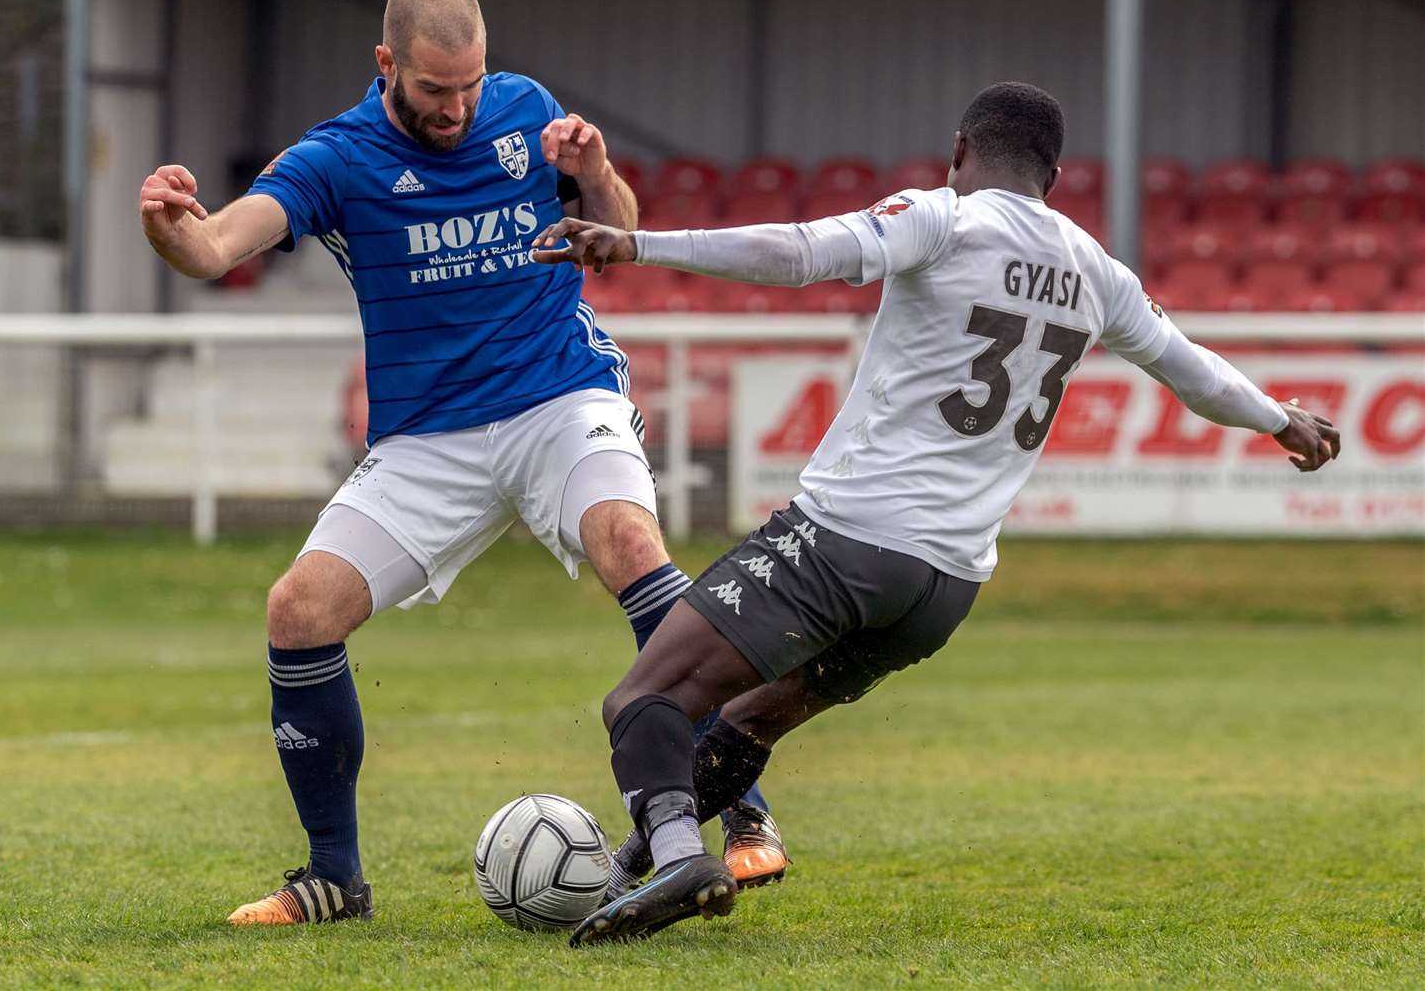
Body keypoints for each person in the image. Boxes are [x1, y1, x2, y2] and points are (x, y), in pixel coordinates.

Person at [529, 82, 1342, 945]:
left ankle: (681, 852)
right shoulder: (1098, 272)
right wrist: (1283, 419)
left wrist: (636, 243)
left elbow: (802, 251)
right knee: (751, 717)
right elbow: (1195, 373)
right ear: (1055, 177)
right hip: (943, 590)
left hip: (848, 541)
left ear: (958, 151)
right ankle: (635, 867)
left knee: (644, 695)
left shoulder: (943, 216)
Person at [136, 0, 783, 926]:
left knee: (630, 545)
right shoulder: (338, 157)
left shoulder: (525, 112)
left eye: (471, 85)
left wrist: (596, 170)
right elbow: (220, 245)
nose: (460, 108)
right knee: (299, 610)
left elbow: (623, 235)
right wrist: (174, 231)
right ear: (386, 65)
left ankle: (739, 811)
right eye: (438, 90)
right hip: (429, 434)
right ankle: (333, 879)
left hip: (558, 393)